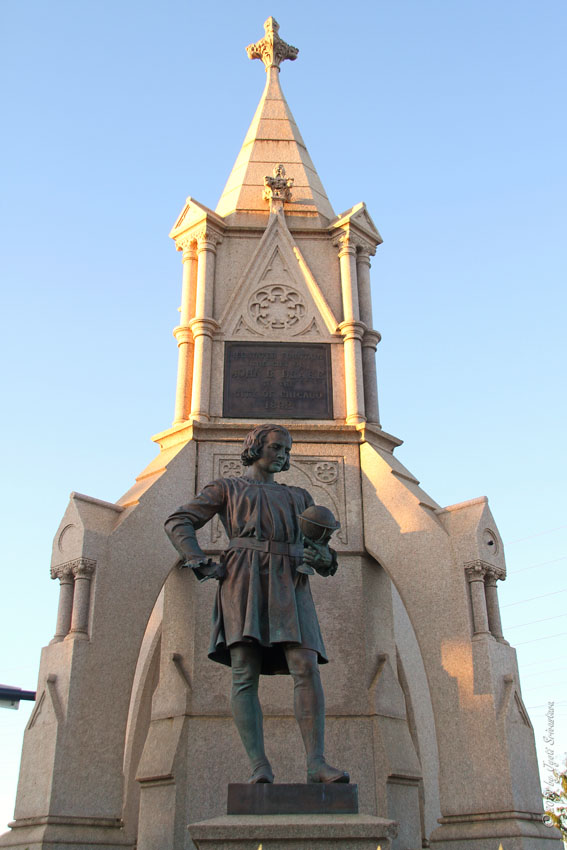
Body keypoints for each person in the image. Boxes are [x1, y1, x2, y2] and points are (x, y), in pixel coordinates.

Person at [164, 424, 349, 785]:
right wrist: (198, 560)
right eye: (278, 447)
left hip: (290, 582)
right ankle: (259, 766)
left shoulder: (299, 498)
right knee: (243, 673)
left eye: (287, 449)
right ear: (256, 447)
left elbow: (324, 557)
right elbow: (178, 521)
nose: (283, 454)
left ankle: (316, 763)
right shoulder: (227, 488)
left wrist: (323, 554)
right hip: (243, 579)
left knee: (306, 665)